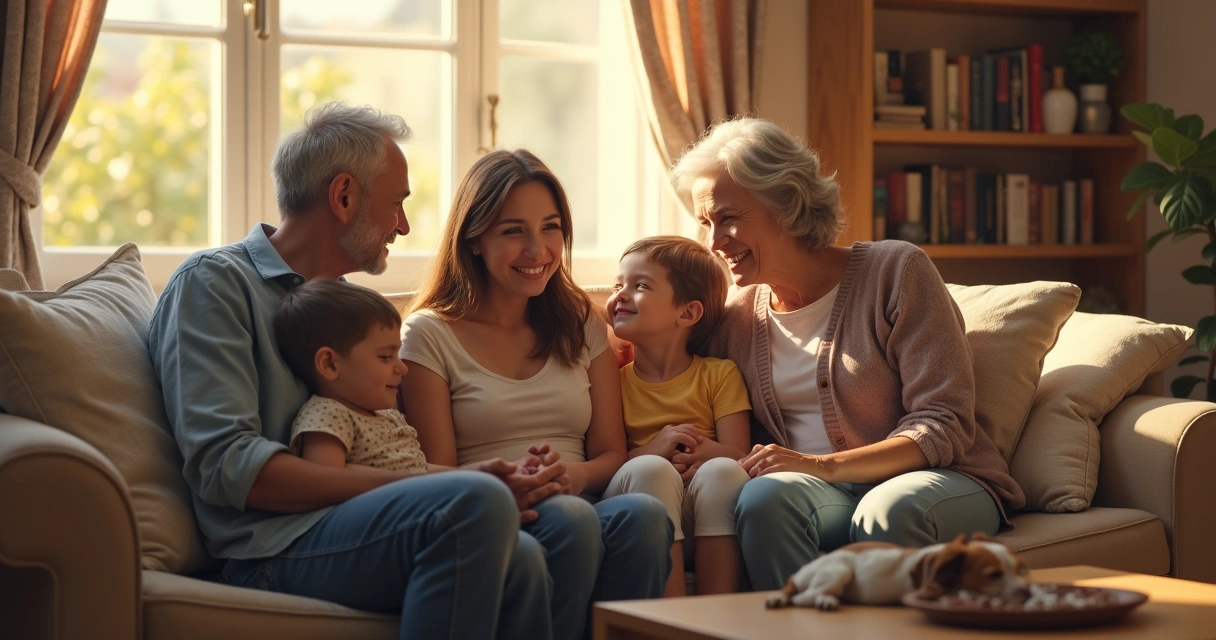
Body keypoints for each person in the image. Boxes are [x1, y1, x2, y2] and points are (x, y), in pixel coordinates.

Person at [149, 102, 565, 640]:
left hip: (350, 528)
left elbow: (384, 448)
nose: (405, 224)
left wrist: (467, 477)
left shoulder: (351, 310)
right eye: (396, 203)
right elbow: (227, 465)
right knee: (475, 504)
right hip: (275, 545)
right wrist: (441, 488)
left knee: (525, 554)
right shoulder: (215, 284)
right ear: (344, 196)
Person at [670, 117, 1026, 591]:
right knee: (762, 499)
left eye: (729, 218)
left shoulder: (895, 271)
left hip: (939, 478)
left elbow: (944, 422)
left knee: (890, 509)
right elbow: (669, 368)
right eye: (706, 223)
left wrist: (820, 465)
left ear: (786, 203)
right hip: (822, 492)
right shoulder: (733, 319)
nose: (715, 243)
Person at [399, 148, 672, 638]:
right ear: (474, 240)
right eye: (513, 231)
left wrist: (576, 475)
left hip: (580, 497)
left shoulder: (581, 322)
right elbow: (433, 473)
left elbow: (612, 451)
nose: (538, 249)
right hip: (492, 510)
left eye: (550, 228)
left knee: (644, 515)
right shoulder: (427, 334)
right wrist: (518, 485)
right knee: (570, 519)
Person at [605, 235, 753, 596]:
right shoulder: (610, 383)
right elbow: (604, 463)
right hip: (640, 512)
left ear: (687, 313)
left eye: (639, 286)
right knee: (651, 469)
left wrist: (707, 453)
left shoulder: (719, 375)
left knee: (723, 471)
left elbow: (740, 455)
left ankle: (715, 615)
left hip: (701, 512)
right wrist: (655, 448)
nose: (620, 295)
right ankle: (670, 622)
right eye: (617, 284)